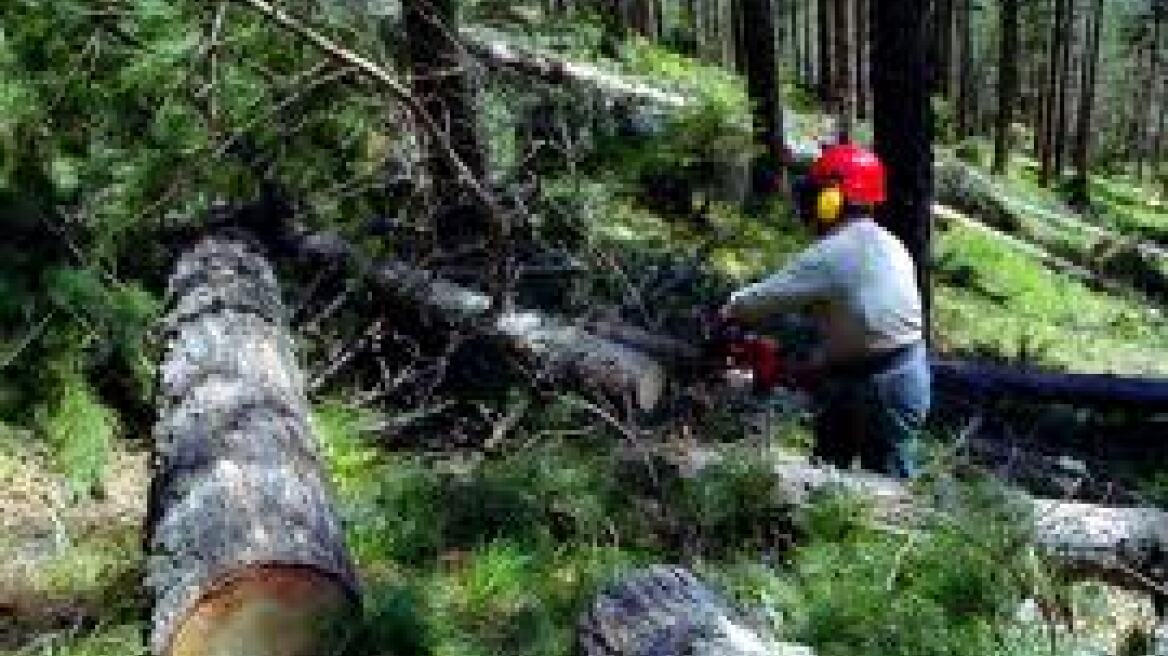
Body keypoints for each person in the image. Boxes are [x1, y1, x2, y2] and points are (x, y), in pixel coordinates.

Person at [720, 143, 930, 479]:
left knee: (865, 484)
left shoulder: (836, 252)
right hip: (898, 374)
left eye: (818, 194)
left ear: (833, 199)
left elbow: (766, 298)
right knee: (854, 474)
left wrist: (729, 310)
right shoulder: (889, 242)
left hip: (880, 384)